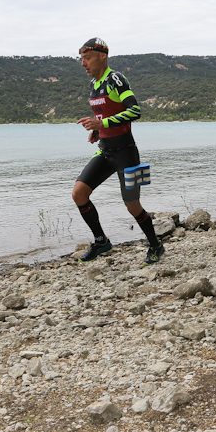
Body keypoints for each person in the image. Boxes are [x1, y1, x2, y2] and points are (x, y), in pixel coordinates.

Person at [73, 37, 165, 265]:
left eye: (87, 58)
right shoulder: (94, 85)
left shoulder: (115, 79)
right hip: (105, 151)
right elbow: (105, 115)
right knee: (79, 194)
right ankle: (101, 240)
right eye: (81, 59)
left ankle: (156, 245)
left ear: (101, 56)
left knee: (132, 205)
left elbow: (134, 111)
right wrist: (97, 130)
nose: (83, 63)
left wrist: (102, 124)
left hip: (126, 153)